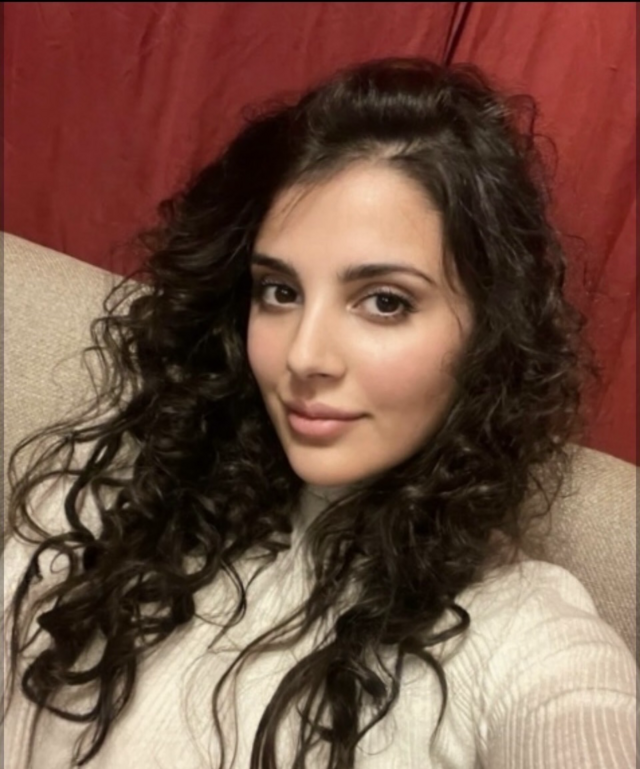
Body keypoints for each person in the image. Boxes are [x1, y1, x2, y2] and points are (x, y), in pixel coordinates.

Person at [3, 57, 636, 769]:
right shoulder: (113, 495)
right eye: (279, 291)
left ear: (488, 332)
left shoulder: (523, 636)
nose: (304, 355)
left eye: (384, 301)